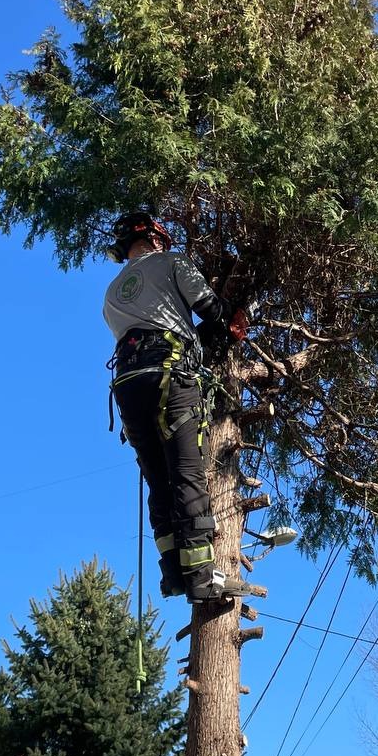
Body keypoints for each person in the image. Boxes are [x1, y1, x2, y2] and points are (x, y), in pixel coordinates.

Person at [103, 211, 247, 602]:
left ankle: (173, 574)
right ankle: (203, 577)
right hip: (171, 377)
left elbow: (156, 322)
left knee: (158, 481)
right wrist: (229, 322)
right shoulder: (172, 262)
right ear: (156, 238)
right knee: (186, 472)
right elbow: (206, 305)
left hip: (129, 385)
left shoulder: (112, 293)